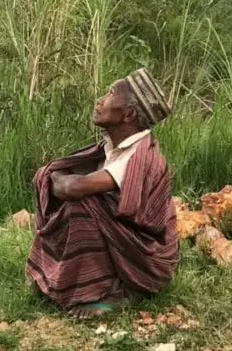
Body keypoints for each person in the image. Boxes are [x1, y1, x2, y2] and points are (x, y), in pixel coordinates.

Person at [26, 68, 179, 319]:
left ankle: (111, 295)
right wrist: (51, 177)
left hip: (146, 258)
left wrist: (51, 177)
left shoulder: (139, 157)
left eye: (110, 94)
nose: (100, 100)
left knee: (82, 207)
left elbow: (75, 187)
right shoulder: (111, 150)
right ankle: (63, 277)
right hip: (126, 245)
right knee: (75, 201)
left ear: (128, 114)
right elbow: (65, 181)